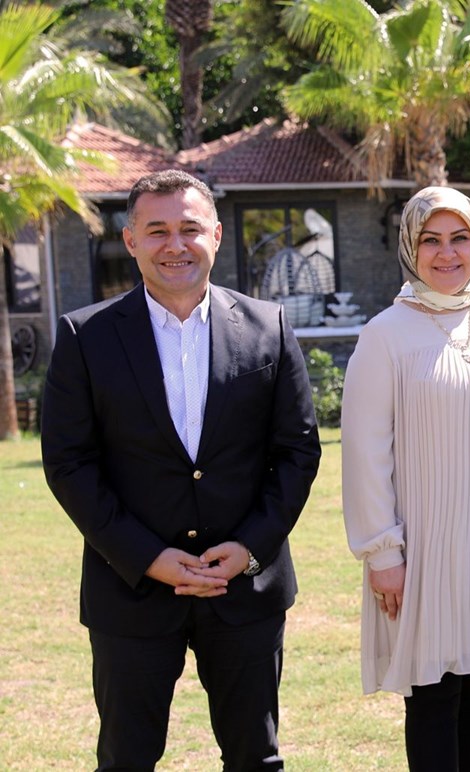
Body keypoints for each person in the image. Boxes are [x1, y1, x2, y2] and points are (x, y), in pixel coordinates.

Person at [40, 170, 322, 770]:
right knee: (126, 760)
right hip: (130, 591)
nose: (176, 245)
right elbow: (69, 463)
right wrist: (146, 557)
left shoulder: (268, 326)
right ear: (130, 239)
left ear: (215, 235)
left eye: (190, 229)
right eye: (157, 231)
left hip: (244, 589)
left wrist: (249, 549)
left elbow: (298, 451)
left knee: (256, 758)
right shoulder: (85, 337)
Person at [340, 186, 470, 772]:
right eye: (431, 240)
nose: (447, 253)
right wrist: (383, 552)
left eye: (459, 238)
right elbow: (364, 452)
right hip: (426, 548)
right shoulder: (384, 334)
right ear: (410, 247)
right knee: (435, 695)